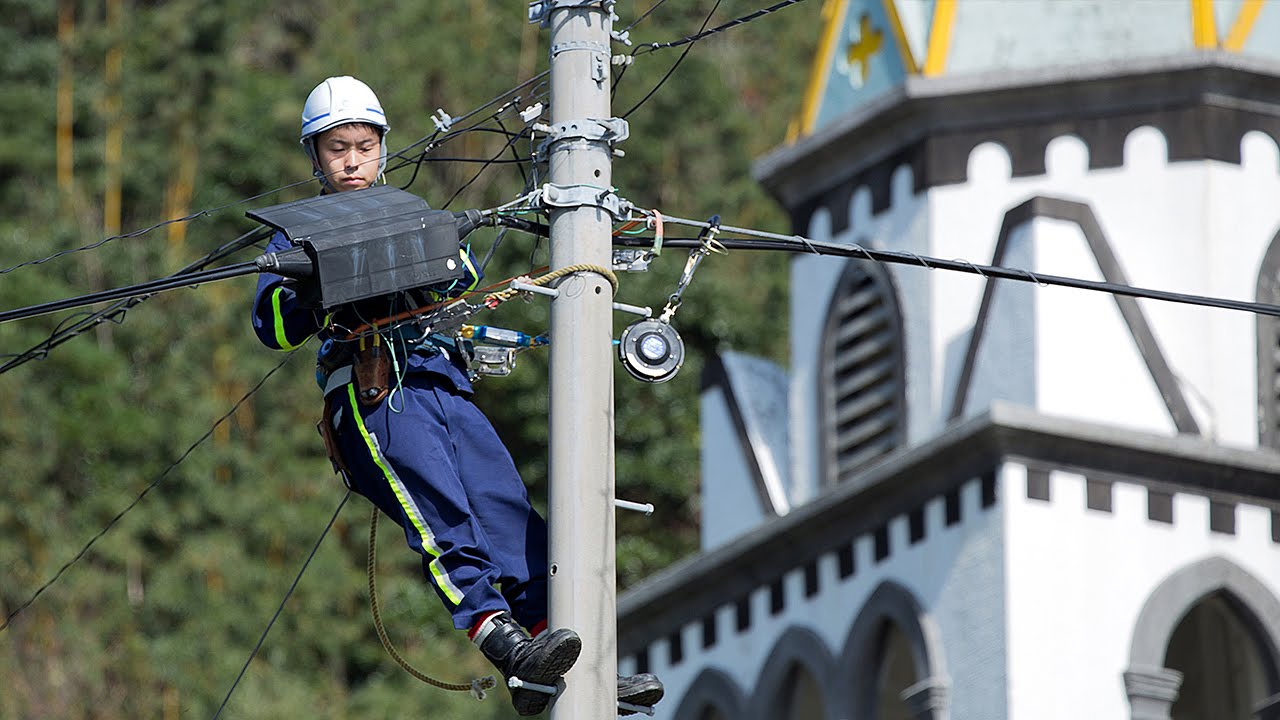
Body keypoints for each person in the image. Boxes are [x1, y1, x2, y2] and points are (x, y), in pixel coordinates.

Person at [250, 76, 663, 716]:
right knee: (444, 516)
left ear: (382, 148)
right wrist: (314, 285)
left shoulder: (411, 214)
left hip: (442, 382)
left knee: (509, 512)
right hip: (375, 392)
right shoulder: (295, 238)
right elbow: (271, 325)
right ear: (315, 158)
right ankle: (502, 640)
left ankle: (568, 667)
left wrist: (416, 255)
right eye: (337, 149)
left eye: (363, 146)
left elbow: (459, 275)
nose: (352, 160)